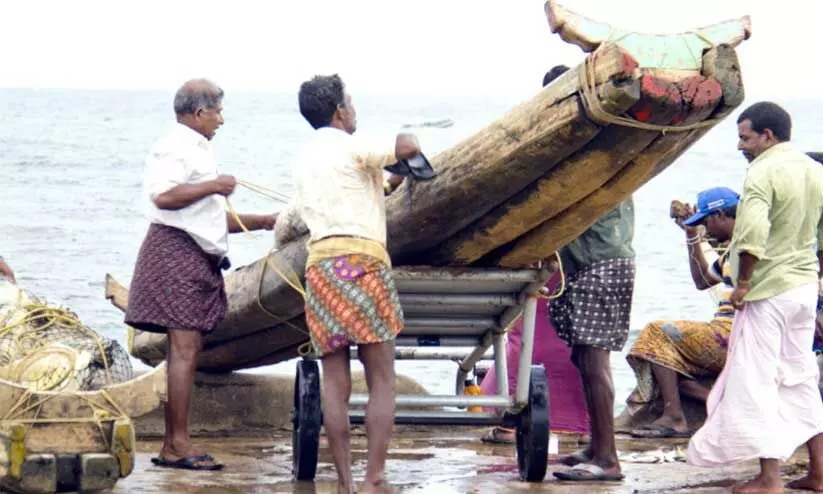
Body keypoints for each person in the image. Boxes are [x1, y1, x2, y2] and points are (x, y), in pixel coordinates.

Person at [124, 79, 276, 471]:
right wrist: (215, 184)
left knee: (185, 349)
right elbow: (163, 196)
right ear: (197, 113)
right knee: (185, 349)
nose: (221, 120)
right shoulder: (174, 144)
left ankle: (174, 442)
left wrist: (264, 221)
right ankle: (176, 445)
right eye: (217, 111)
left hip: (188, 251)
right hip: (175, 252)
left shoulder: (197, 148)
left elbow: (206, 218)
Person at [686, 101, 823, 494]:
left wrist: (743, 283)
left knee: (756, 383)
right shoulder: (815, 170)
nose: (740, 146)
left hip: (769, 292)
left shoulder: (763, 171)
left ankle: (770, 478)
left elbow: (751, 235)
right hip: (802, 288)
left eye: (745, 137)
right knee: (801, 379)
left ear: (768, 135)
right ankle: (818, 473)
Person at [292, 74, 417, 494]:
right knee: (381, 377)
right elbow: (404, 150)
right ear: (340, 111)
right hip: (363, 264)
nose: (355, 110)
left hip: (322, 269)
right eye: (351, 103)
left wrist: (389, 182)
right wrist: (409, 134)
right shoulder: (349, 144)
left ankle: (345, 483)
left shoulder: (307, 157)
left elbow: (359, 187)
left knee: (335, 381)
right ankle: (374, 478)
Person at [478, 63, 590, 446]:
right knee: (550, 336)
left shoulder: (541, 139)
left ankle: (512, 417)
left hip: (546, 254)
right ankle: (567, 418)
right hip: (573, 256)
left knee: (528, 332)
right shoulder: (598, 140)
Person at [625, 187, 739, 439]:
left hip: (735, 332)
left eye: (706, 222)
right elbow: (702, 280)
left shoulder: (746, 249)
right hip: (726, 331)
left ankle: (675, 417)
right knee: (670, 370)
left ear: (721, 215)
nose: (705, 228)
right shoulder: (733, 249)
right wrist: (692, 236)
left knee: (655, 333)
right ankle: (711, 400)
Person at [547, 197, 636, 482]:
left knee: (595, 362)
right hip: (595, 261)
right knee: (585, 359)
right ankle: (597, 448)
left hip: (601, 262)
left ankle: (608, 459)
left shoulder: (600, 162)